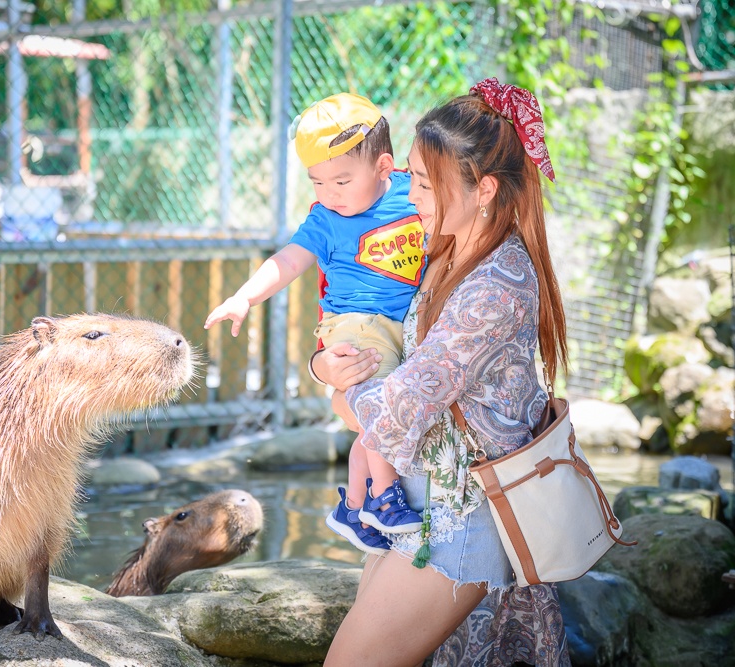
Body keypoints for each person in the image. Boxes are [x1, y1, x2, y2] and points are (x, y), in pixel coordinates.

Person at [312, 78, 571, 666]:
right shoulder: (444, 249)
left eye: (425, 183)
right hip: (418, 504)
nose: (411, 193)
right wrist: (323, 361)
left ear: (482, 189)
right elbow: (360, 327)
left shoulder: (498, 284)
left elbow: (401, 401)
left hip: (461, 520)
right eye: (410, 175)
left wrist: (342, 399)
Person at [204, 93, 427, 554]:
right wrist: (244, 297)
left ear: (384, 167)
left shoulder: (412, 193)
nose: (329, 194)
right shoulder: (325, 219)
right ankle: (385, 499)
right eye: (317, 182)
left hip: (402, 325)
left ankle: (354, 505)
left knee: (370, 418)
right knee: (378, 401)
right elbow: (287, 261)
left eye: (342, 181)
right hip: (355, 324)